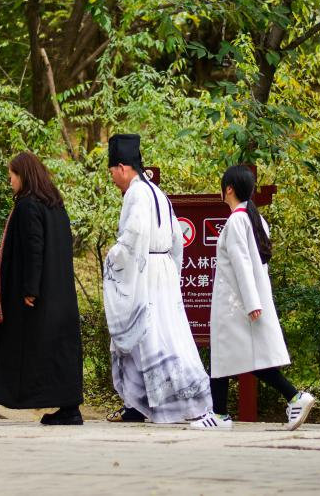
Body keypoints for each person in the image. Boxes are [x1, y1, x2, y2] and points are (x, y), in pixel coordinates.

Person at [0, 152, 84, 425]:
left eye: (11, 174)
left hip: (27, 296)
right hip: (58, 295)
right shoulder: (56, 206)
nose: (9, 180)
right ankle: (70, 409)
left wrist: (29, 289)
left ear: (23, 175)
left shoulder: (27, 206)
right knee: (57, 352)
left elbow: (34, 248)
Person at [190, 165, 316, 431]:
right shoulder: (256, 219)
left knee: (228, 355)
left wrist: (251, 303)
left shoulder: (236, 220)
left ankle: (224, 414)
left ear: (229, 188)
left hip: (234, 303)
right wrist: (256, 300)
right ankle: (223, 412)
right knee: (240, 357)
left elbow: (241, 263)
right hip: (246, 301)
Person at [103, 134, 212, 423]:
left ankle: (155, 404)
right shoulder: (157, 192)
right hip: (161, 266)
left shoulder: (136, 194)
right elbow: (177, 238)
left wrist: (114, 256)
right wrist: (172, 272)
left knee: (146, 336)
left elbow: (135, 233)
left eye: (112, 171)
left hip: (146, 270)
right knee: (165, 335)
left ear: (123, 168)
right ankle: (143, 405)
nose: (112, 178)